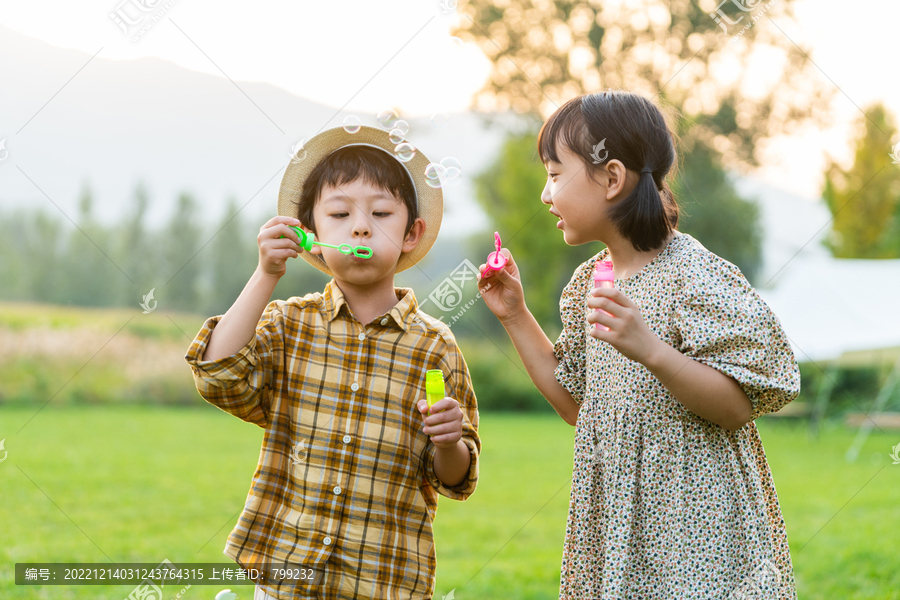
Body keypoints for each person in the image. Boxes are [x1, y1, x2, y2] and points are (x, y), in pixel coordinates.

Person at [477, 91, 800, 599]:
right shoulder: (589, 284)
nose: (545, 193)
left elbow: (739, 407)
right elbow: (576, 405)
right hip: (619, 525)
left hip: (698, 528)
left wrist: (651, 349)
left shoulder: (693, 275)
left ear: (611, 178)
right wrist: (516, 315)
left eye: (555, 174)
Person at [184, 125, 480, 600]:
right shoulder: (289, 325)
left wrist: (449, 442)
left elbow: (455, 478)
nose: (360, 227)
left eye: (381, 213)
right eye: (340, 214)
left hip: (382, 583)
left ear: (412, 233)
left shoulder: (434, 348)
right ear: (312, 236)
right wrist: (266, 274)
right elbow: (219, 377)